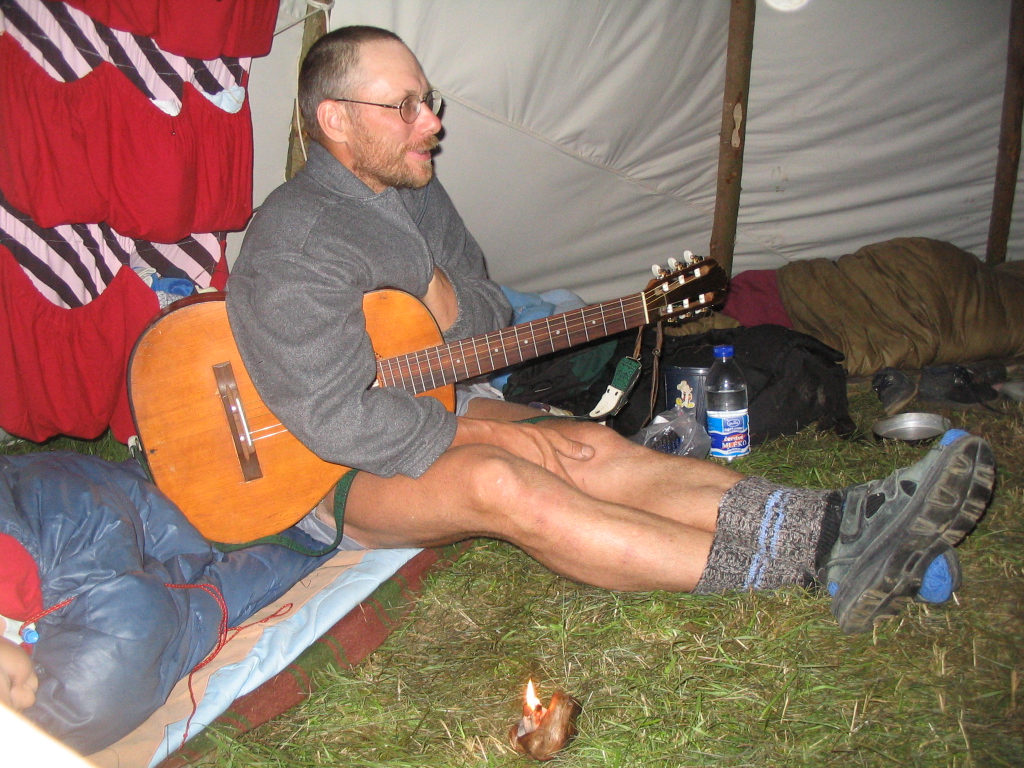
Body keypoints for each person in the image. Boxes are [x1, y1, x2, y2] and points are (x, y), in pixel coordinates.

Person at [225, 26, 996, 635]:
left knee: (588, 446)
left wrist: (436, 290)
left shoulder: (413, 189)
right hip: (316, 466)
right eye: (404, 107)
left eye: (429, 100)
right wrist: (481, 433)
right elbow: (333, 416)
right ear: (335, 120)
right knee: (503, 481)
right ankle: (822, 565)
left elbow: (487, 306)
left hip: (430, 401)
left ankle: (848, 522)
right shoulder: (295, 240)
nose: (431, 123)